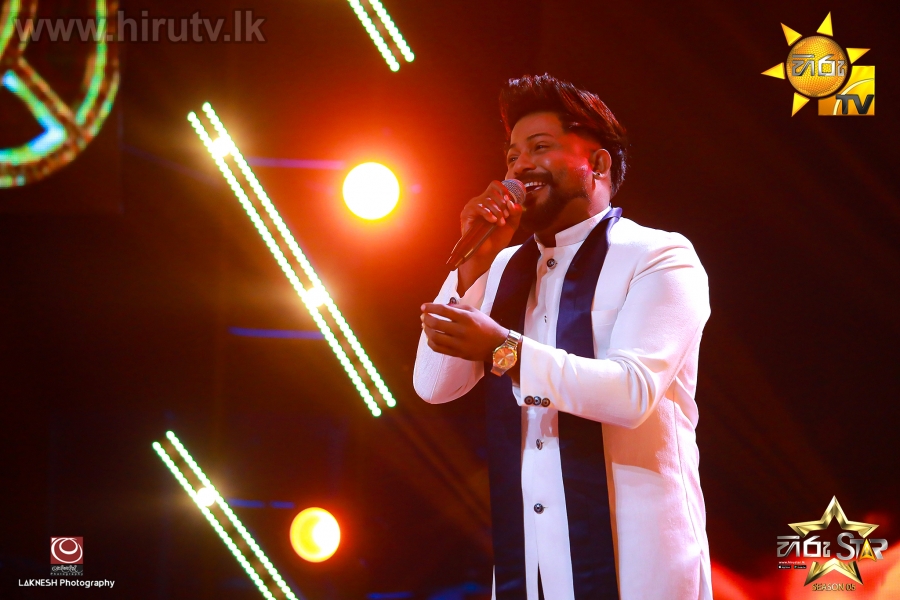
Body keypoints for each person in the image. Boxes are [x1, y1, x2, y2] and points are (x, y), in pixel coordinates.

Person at [413, 74, 713, 600]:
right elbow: (433, 385)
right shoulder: (504, 267)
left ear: (597, 164)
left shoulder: (659, 255)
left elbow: (631, 392)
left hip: (639, 567)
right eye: (512, 156)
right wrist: (474, 265)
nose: (519, 166)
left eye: (540, 147)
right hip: (531, 567)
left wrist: (503, 350)